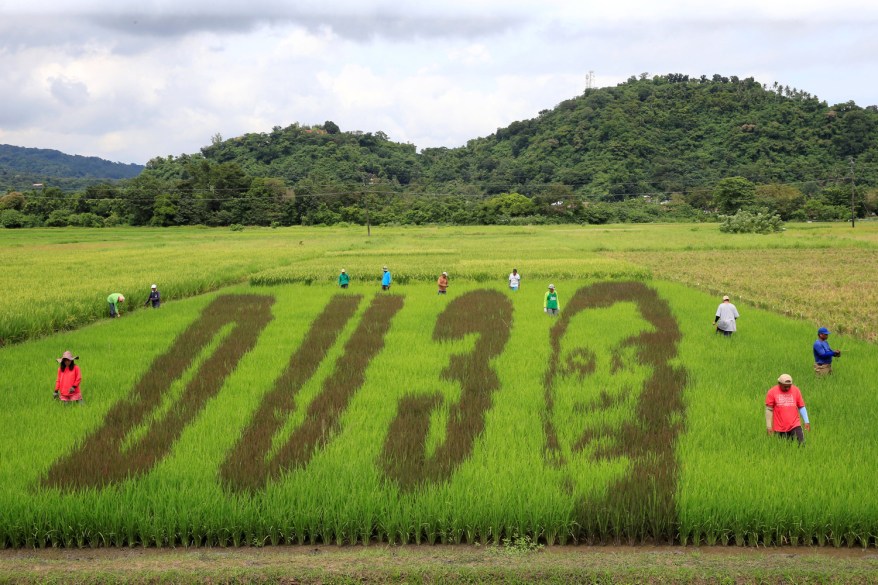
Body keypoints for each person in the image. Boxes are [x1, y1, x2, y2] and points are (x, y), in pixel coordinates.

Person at [765, 374, 810, 444]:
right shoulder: (772, 392)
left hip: (795, 425)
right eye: (785, 387)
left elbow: (801, 406)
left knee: (801, 446)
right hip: (779, 427)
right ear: (779, 383)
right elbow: (769, 410)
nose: (787, 389)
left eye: (789, 386)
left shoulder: (796, 390)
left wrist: (806, 421)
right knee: (783, 449)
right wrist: (769, 427)